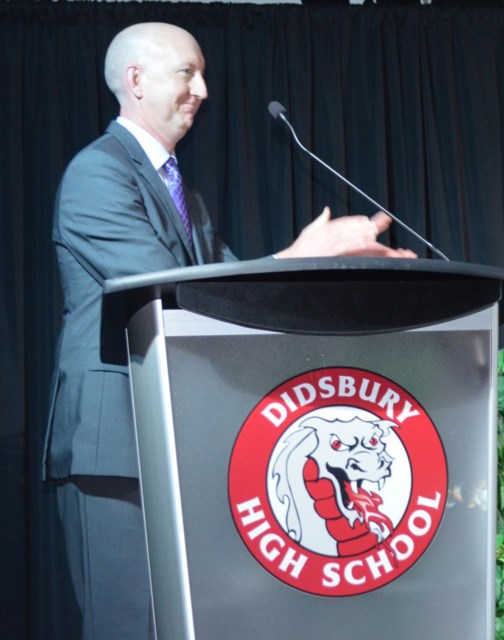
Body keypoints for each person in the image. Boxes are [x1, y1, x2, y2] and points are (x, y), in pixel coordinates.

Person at [44, 22, 415, 637]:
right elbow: (168, 289)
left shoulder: (182, 190)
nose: (204, 90)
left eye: (203, 73)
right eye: (187, 72)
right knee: (126, 627)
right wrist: (302, 255)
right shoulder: (97, 175)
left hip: (177, 441)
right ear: (135, 80)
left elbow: (237, 304)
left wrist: (335, 273)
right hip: (116, 453)